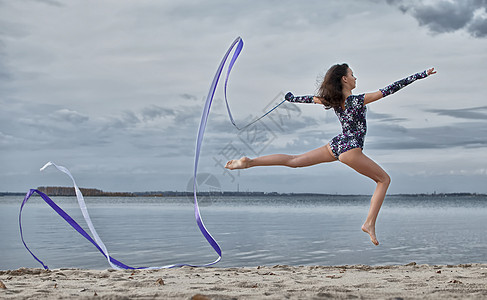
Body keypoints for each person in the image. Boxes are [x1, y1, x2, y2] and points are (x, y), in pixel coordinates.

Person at [225, 64, 437, 245]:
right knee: (384, 179)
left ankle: (249, 162)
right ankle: (369, 223)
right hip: (351, 148)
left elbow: (311, 99)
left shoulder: (333, 101)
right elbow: (390, 89)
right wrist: (421, 75)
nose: (355, 78)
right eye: (352, 75)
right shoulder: (356, 101)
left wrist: (292, 98)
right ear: (345, 79)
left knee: (294, 161)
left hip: (337, 145)